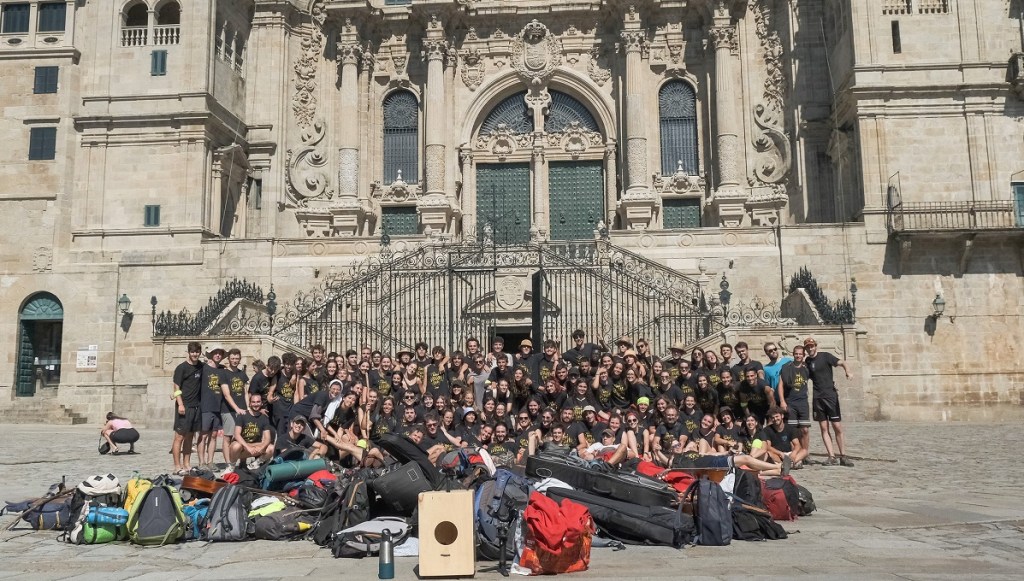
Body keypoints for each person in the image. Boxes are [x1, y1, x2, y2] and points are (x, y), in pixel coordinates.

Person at [804, 337, 854, 467]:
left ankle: (843, 456)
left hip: (830, 396)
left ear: (815, 346)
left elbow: (842, 362)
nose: (810, 348)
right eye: (808, 347)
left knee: (837, 426)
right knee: (823, 428)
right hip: (818, 398)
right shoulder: (807, 361)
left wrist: (848, 372)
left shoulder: (825, 356)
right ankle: (831, 456)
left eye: (811, 346)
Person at [171, 341, 204, 474]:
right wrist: (180, 404)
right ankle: (177, 466)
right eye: (192, 352)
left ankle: (186, 464)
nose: (195, 354)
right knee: (179, 437)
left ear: (200, 353)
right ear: (189, 352)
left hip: (196, 407)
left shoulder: (201, 366)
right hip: (184, 406)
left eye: (197, 352)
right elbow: (176, 387)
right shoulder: (182, 368)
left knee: (190, 436)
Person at [778, 344, 812, 459]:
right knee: (793, 431)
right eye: (796, 354)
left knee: (805, 430)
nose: (798, 356)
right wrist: (782, 401)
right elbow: (780, 385)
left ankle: (805, 453)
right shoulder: (786, 367)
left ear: (803, 355)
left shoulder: (807, 367)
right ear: (793, 354)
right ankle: (796, 453)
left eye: (800, 354)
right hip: (790, 402)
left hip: (803, 402)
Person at [219, 348, 249, 469]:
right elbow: (226, 395)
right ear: (229, 359)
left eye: (237, 358)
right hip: (229, 410)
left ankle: (243, 462)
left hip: (242, 409)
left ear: (240, 359)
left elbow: (245, 392)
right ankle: (228, 463)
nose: (235, 361)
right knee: (228, 437)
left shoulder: (242, 374)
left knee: (243, 436)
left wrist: (247, 407)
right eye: (232, 358)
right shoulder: (224, 373)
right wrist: (236, 408)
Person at [197, 347, 226, 471]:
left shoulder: (222, 370)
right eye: (216, 353)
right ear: (211, 355)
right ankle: (201, 462)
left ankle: (210, 461)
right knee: (203, 435)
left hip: (218, 407)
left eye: (220, 354)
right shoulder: (204, 368)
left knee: (213, 435)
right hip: (206, 406)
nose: (218, 355)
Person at [230, 393, 274, 469]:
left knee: (271, 448)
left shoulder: (264, 418)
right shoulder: (242, 415)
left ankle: (255, 464)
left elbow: (268, 438)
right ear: (250, 403)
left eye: (258, 402)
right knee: (236, 446)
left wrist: (262, 447)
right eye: (253, 402)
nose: (256, 404)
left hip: (256, 445)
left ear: (261, 403)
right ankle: (231, 467)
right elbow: (237, 434)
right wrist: (248, 447)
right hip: (243, 447)